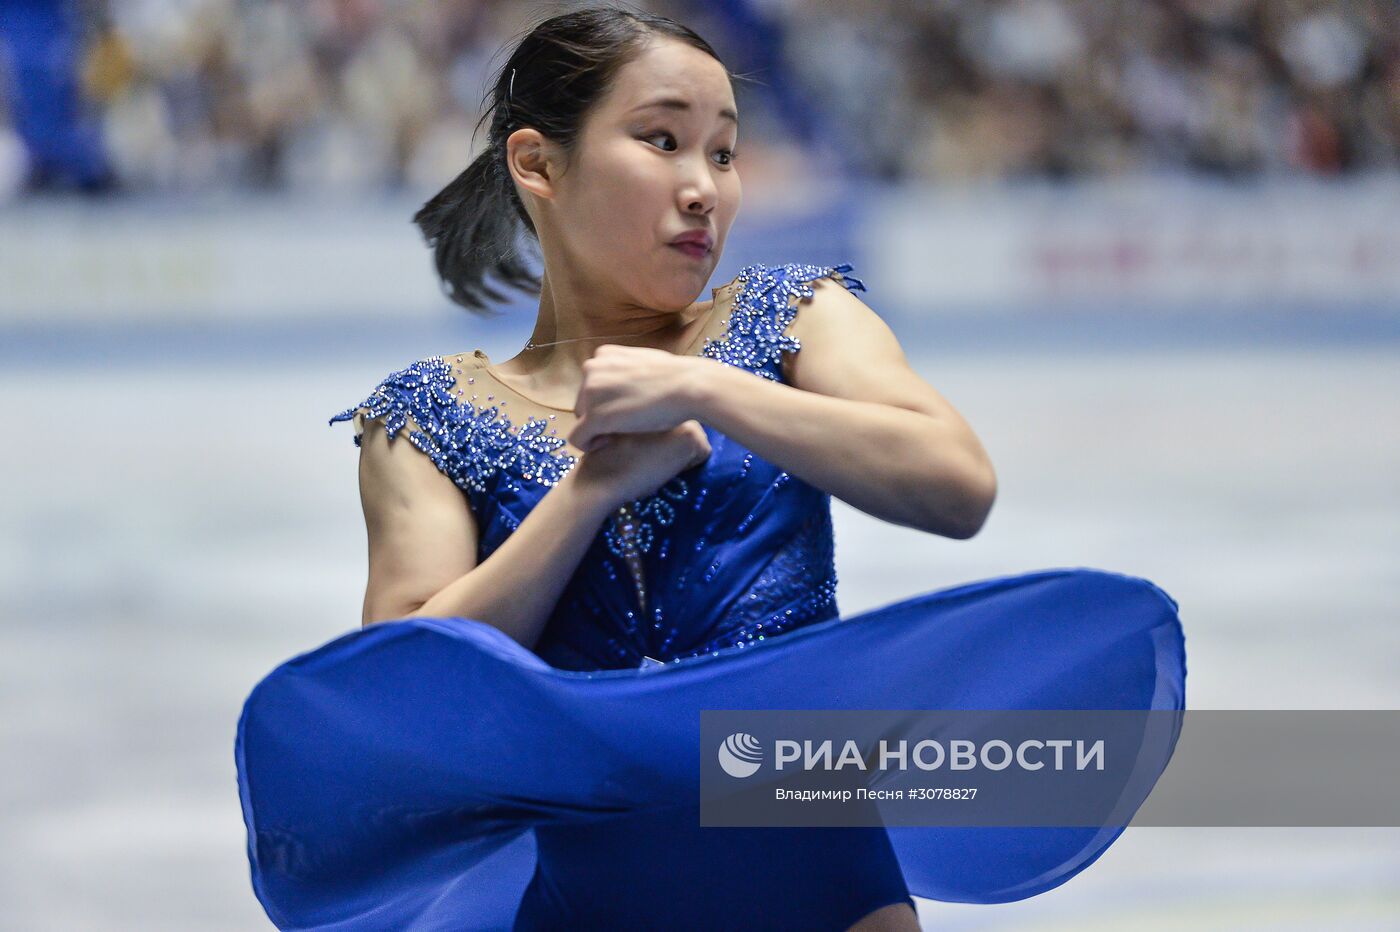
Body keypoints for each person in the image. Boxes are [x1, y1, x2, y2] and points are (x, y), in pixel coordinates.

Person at [234, 6, 1186, 930]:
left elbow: (956, 483)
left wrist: (710, 391)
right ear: (537, 164)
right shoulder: (429, 419)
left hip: (824, 881)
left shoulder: (790, 317)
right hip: (590, 902)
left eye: (723, 152)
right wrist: (588, 494)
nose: (705, 187)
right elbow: (406, 694)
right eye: (662, 140)